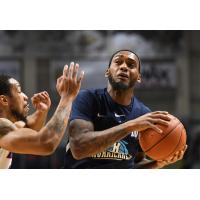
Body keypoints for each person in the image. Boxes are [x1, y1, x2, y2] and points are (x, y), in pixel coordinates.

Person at [64, 50, 187, 169]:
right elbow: (78, 148)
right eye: (118, 62)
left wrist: (158, 163)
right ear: (107, 72)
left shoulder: (143, 113)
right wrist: (131, 126)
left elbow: (134, 164)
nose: (124, 67)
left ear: (139, 77)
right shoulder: (87, 98)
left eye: (131, 65)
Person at [0, 62, 84, 168]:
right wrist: (67, 98)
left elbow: (30, 127)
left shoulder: (9, 127)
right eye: (19, 91)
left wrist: (41, 112)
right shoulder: (2, 126)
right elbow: (46, 143)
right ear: (4, 100)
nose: (25, 96)